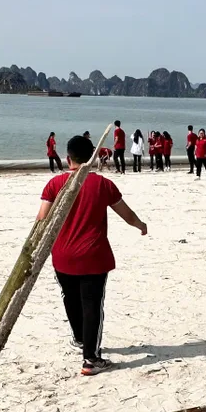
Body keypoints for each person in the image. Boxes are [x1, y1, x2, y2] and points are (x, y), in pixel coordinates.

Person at [38, 134, 148, 376]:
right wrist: (141, 225)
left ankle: (79, 339)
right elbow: (126, 214)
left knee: (70, 297)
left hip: (62, 256)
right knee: (91, 305)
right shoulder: (102, 184)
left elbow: (41, 220)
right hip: (93, 257)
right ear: (94, 157)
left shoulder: (55, 184)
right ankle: (91, 358)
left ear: (68, 159)